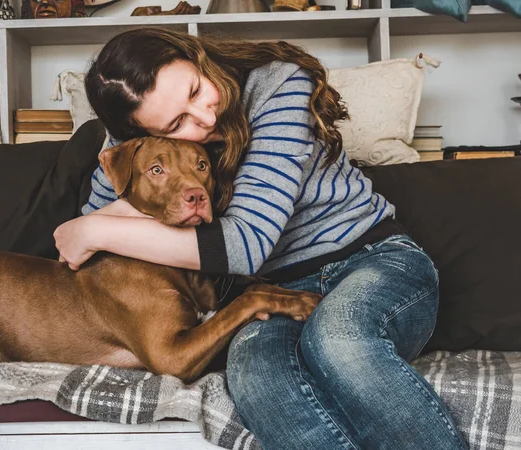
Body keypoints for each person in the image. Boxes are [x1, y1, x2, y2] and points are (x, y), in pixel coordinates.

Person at [53, 28, 468, 450]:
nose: (206, 118)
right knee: (255, 376)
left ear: (196, 56)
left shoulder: (279, 84)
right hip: (278, 291)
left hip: (374, 259)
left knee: (337, 339)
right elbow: (90, 248)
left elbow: (245, 245)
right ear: (139, 132)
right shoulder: (133, 134)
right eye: (177, 124)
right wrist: (99, 222)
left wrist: (96, 228)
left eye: (197, 90)